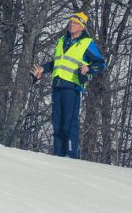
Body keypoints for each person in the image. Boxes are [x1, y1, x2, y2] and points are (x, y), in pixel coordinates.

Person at [31, 12, 106, 159]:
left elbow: (101, 63)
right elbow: (57, 62)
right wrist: (43, 69)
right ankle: (58, 156)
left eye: (76, 23)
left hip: (72, 87)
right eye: (71, 22)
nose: (72, 25)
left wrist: (88, 68)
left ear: (82, 27)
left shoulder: (86, 43)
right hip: (57, 85)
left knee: (69, 123)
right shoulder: (61, 40)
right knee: (57, 123)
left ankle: (71, 157)